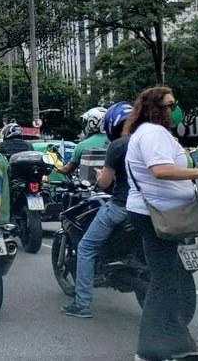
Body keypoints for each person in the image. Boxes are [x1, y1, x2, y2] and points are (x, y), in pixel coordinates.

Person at [124, 87, 198, 361]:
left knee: (169, 280)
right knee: (162, 281)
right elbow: (160, 170)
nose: (174, 110)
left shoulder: (154, 134)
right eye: (169, 105)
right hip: (156, 216)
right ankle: (147, 350)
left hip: (162, 213)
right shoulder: (152, 134)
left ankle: (181, 343)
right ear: (154, 108)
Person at [61, 101, 133, 319]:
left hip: (121, 205)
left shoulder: (117, 145)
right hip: (151, 207)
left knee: (85, 248)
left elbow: (104, 183)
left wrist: (101, 176)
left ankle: (82, 304)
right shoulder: (150, 141)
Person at [55, 107, 108, 178]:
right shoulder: (118, 142)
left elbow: (68, 169)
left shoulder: (82, 145)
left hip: (90, 185)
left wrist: (54, 167)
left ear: (92, 123)